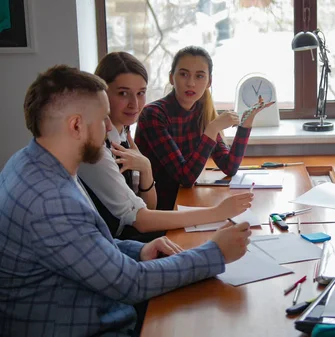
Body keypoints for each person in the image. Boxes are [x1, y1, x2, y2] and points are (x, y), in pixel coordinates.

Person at [0, 65, 251, 336]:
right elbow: (130, 284)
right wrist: (215, 253)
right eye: (102, 119)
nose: (109, 127)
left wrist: (137, 251)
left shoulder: (31, 161)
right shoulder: (50, 200)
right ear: (76, 125)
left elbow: (85, 244)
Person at [78, 52, 253, 242]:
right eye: (123, 93)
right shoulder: (101, 145)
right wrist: (216, 213)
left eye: (141, 93)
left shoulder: (124, 133)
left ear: (209, 81)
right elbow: (144, 216)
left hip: (151, 220)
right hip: (129, 236)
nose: (134, 104)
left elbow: (145, 206)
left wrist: (245, 125)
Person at [135, 46, 274, 210]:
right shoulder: (153, 114)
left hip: (186, 203)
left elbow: (229, 166)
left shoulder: (202, 112)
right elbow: (184, 177)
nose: (191, 83)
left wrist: (245, 124)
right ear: (172, 78)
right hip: (157, 209)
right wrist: (212, 128)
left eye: (199, 76)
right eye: (184, 74)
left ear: (209, 82)